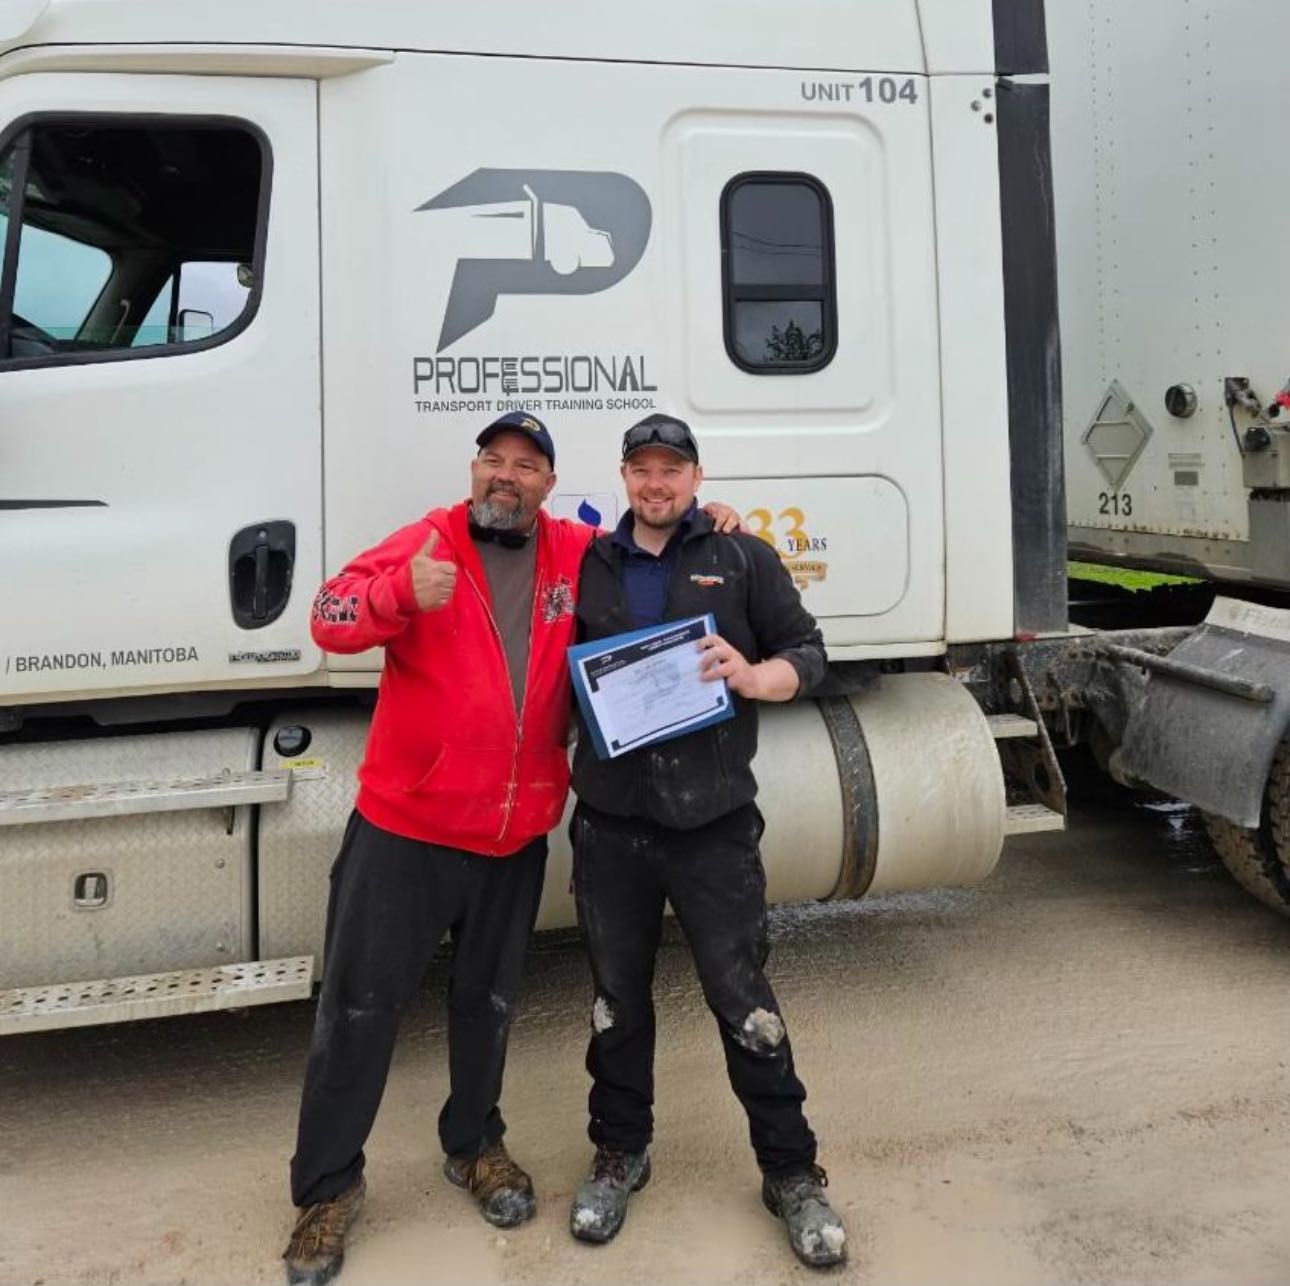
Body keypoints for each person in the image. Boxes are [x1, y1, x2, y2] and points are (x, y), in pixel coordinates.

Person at [282, 411, 742, 1286]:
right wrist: (393, 598)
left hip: (513, 833)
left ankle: (474, 1145)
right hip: (406, 831)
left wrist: (718, 522)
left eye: (527, 465)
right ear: (475, 470)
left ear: (548, 484)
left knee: (486, 1005)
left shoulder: (575, 551)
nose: (507, 475)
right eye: (494, 459)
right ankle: (326, 1191)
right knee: (359, 1013)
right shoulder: (427, 542)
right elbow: (328, 614)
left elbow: (654, 544)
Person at [565, 413, 847, 1269]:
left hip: (712, 825)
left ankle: (792, 1172)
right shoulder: (587, 560)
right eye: (642, 470)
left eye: (673, 470)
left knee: (745, 1004)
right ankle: (620, 1154)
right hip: (612, 826)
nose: (657, 484)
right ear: (623, 478)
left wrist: (759, 676)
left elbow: (811, 651)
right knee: (617, 1002)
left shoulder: (741, 556)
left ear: (695, 478)